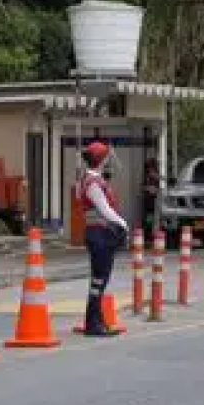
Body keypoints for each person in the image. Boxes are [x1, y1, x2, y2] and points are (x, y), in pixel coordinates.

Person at [75, 141, 129, 336]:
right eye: (106, 157)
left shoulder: (88, 180)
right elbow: (104, 209)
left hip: (98, 233)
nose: (109, 160)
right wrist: (123, 224)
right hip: (100, 234)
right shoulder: (93, 183)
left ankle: (96, 320)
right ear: (101, 159)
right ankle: (93, 323)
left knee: (100, 280)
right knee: (99, 279)